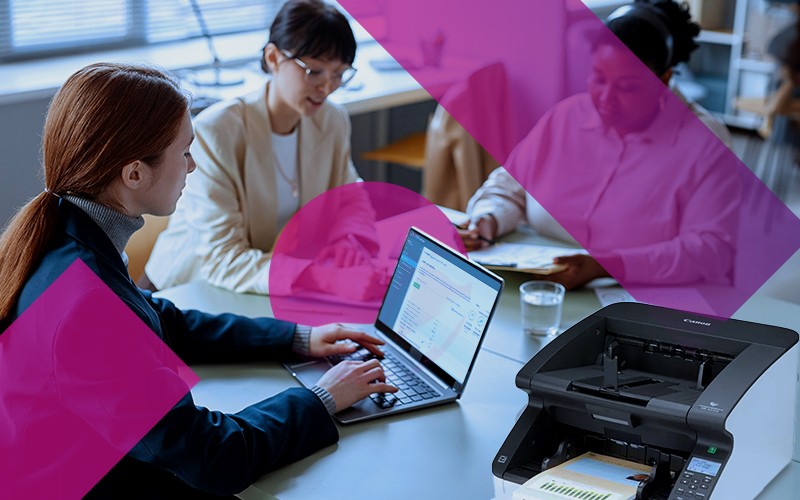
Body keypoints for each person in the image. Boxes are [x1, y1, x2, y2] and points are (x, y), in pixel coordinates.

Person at [0, 62, 396, 497]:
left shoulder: (68, 232)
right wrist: (323, 398)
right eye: (184, 151)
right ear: (134, 173)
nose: (192, 166)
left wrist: (298, 338)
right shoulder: (85, 302)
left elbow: (159, 319)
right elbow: (215, 457)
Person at [460, 0, 738, 290]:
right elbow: (509, 188)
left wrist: (606, 267)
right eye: (598, 78)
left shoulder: (704, 142)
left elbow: (710, 250)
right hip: (544, 285)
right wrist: (487, 220)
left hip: (646, 297)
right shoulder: (566, 117)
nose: (605, 99)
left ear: (664, 80)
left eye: (627, 87)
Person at [145, 0, 376, 294]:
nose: (327, 87)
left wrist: (351, 241)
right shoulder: (219, 131)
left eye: (339, 74)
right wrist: (316, 276)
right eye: (314, 71)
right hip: (193, 289)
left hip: (268, 283)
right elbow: (222, 259)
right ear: (273, 57)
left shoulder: (332, 119)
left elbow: (350, 195)